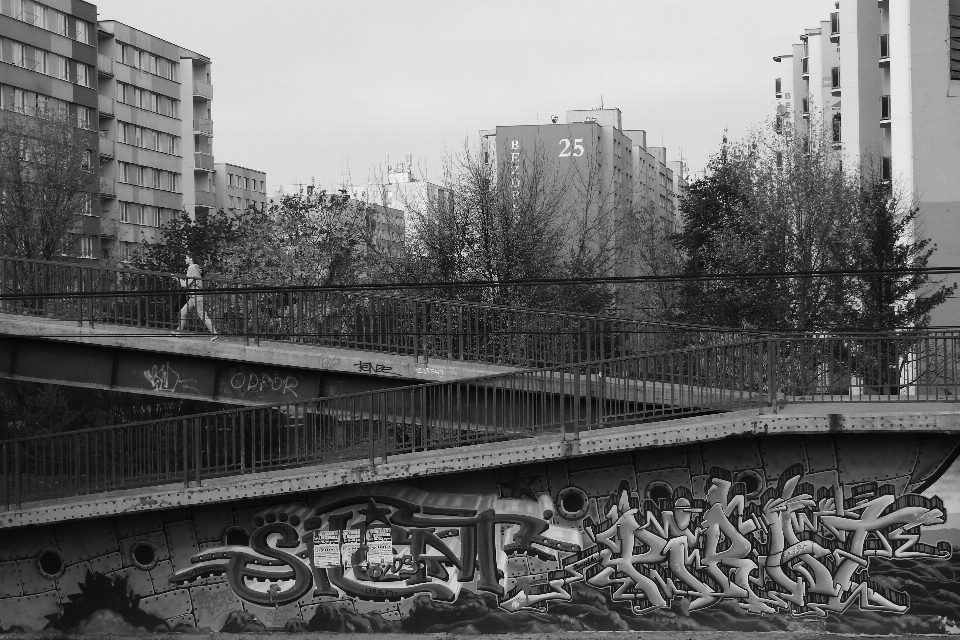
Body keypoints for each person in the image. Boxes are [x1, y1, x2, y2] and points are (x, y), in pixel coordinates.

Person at [172, 253, 219, 341]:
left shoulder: (192, 268)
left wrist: (177, 279)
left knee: (203, 315)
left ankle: (215, 334)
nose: (184, 260)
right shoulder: (195, 268)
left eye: (186, 258)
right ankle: (179, 332)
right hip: (194, 296)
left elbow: (186, 284)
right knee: (183, 312)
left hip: (196, 296)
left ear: (191, 259)